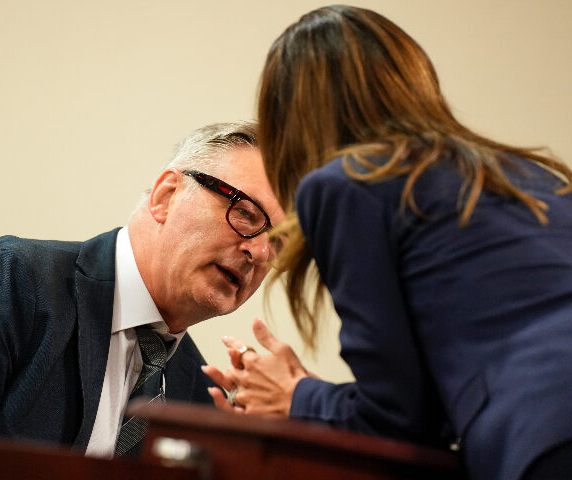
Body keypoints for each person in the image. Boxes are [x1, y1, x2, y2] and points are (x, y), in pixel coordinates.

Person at [201, 7, 572, 480]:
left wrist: (296, 397)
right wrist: (311, 397)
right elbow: (423, 409)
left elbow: (400, 420)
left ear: (289, 120)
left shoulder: (347, 184)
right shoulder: (532, 176)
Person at [0, 121, 285, 458]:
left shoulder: (201, 398)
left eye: (281, 244)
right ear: (166, 196)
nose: (260, 252)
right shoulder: (6, 284)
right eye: (245, 213)